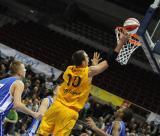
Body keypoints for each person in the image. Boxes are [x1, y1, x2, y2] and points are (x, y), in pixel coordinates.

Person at [37, 28, 129, 136]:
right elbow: (109, 61)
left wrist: (93, 66)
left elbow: (84, 80)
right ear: (83, 62)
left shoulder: (69, 69)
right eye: (87, 57)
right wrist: (121, 43)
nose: (88, 58)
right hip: (68, 111)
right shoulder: (87, 71)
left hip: (56, 107)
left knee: (41, 134)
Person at [0, 60, 42, 136]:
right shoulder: (18, 83)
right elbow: (17, 105)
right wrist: (33, 114)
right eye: (24, 69)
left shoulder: (3, 80)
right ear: (19, 72)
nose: (25, 70)